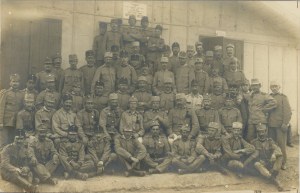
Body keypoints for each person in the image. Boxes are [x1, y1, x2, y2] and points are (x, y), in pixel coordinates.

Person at [251, 124, 284, 191]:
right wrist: (258, 160)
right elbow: (252, 155)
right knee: (256, 164)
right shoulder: (253, 142)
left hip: (270, 161)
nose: (261, 134)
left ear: (266, 132)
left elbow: (278, 149)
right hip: (262, 164)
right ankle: (274, 179)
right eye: (259, 132)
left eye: (263, 132)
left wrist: (274, 154)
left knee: (280, 156)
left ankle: (274, 172)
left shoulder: (270, 141)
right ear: (257, 133)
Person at [268, 81, 292, 170]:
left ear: (279, 87)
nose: (274, 88)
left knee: (281, 145)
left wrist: (285, 123)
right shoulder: (268, 96)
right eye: (272, 86)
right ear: (270, 88)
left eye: (275, 86)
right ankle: (274, 161)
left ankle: (283, 162)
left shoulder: (283, 97)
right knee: (272, 144)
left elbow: (288, 112)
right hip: (270, 125)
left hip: (280, 126)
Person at [0, 74, 24, 147]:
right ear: (10, 83)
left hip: (16, 122)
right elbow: (1, 108)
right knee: (3, 142)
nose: (15, 83)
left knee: (13, 141)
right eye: (13, 81)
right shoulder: (6, 93)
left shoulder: (22, 94)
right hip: (6, 121)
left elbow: (22, 108)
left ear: (19, 83)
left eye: (17, 82)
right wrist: (0, 122)